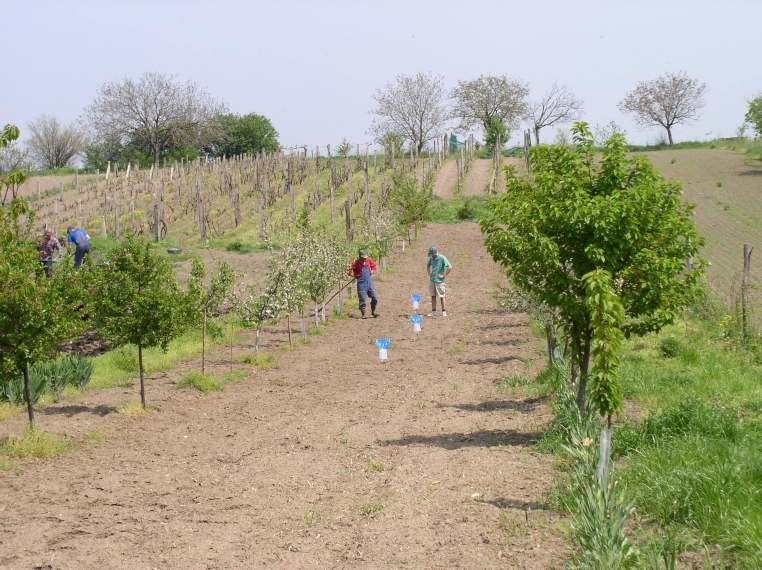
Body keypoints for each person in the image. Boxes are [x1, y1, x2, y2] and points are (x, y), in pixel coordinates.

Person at [349, 249, 379, 319]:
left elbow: (374, 266)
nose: (365, 259)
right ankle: (363, 314)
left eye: (365, 257)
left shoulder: (369, 260)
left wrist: (372, 271)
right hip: (361, 284)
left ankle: (373, 312)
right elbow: (349, 271)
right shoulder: (355, 263)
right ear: (360, 256)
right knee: (362, 299)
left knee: (374, 298)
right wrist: (354, 275)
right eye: (363, 257)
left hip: (369, 283)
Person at [427, 245, 452, 317]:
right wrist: (429, 274)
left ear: (435, 253)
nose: (431, 256)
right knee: (433, 296)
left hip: (440, 281)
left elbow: (450, 267)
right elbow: (428, 266)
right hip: (432, 280)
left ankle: (444, 311)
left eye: (432, 254)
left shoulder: (442, 258)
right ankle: (433, 311)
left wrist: (444, 275)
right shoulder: (431, 258)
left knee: (442, 296)